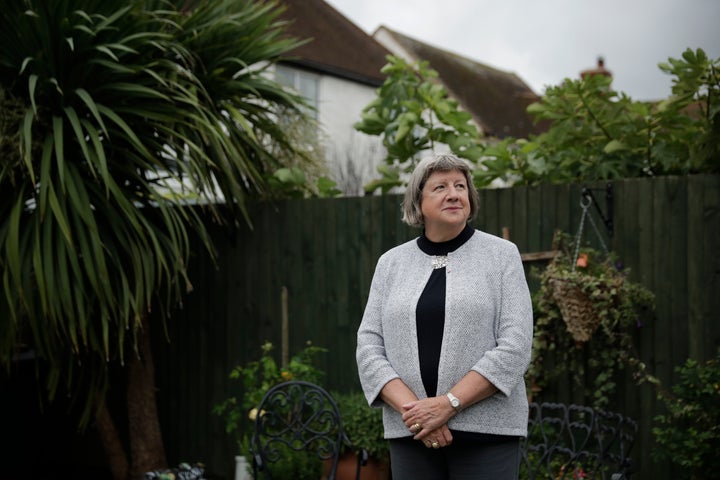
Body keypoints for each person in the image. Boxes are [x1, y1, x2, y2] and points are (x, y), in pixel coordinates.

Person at [356, 153, 533, 480]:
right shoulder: (391, 264)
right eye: (440, 187)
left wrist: (448, 404)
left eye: (460, 186)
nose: (454, 194)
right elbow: (369, 348)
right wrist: (419, 414)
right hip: (413, 435)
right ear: (417, 202)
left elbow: (516, 347)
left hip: (487, 436)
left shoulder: (501, 256)